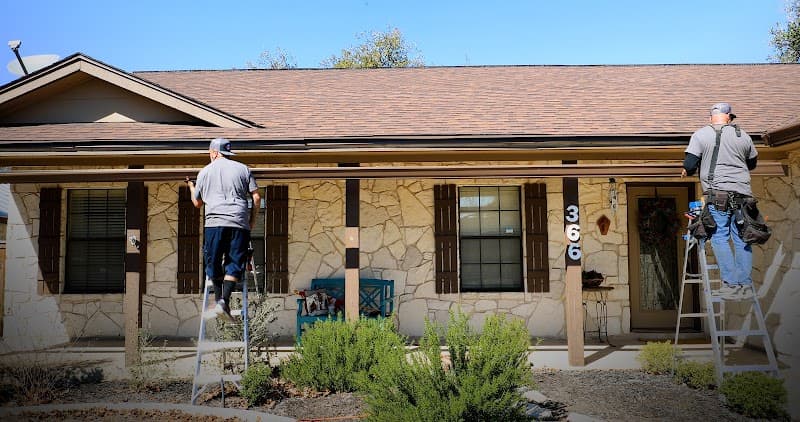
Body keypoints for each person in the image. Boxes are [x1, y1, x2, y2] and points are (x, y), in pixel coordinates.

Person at [681, 103, 758, 300]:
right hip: (743, 196)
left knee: (719, 237)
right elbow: (752, 163)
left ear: (711, 118)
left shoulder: (701, 135)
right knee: (742, 238)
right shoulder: (744, 136)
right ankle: (745, 285)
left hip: (719, 196)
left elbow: (690, 163)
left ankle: (731, 284)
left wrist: (688, 170)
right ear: (729, 118)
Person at [186, 137, 260, 319]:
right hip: (238, 222)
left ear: (214, 153)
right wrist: (252, 221)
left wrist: (190, 185)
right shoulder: (243, 169)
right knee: (234, 264)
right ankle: (223, 302)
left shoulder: (204, 172)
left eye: (210, 153)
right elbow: (256, 198)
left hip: (215, 223)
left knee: (213, 263)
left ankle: (220, 300)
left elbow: (197, 202)